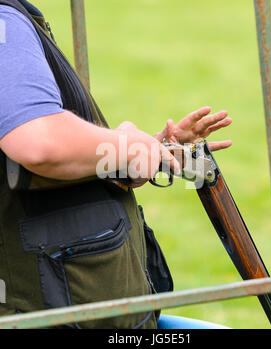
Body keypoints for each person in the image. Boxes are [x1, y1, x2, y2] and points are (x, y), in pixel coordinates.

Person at [0, 0, 232, 329]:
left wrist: (150, 152)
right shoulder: (4, 20)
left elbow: (37, 160)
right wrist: (126, 147)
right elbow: (39, 144)